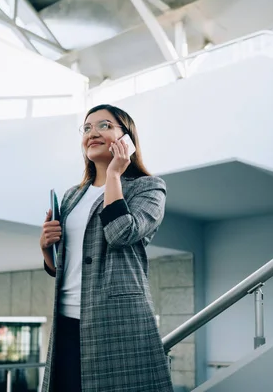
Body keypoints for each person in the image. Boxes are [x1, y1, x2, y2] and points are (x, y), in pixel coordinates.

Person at [39, 104, 173, 392]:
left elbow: (120, 232)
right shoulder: (72, 195)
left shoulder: (148, 188)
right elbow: (61, 267)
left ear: (126, 139)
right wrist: (46, 249)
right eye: (87, 128)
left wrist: (113, 176)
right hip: (66, 321)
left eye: (104, 126)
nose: (92, 133)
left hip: (117, 321)